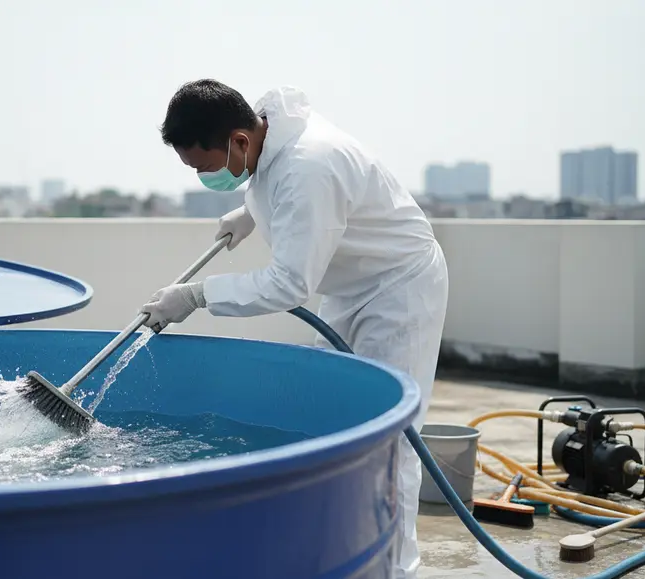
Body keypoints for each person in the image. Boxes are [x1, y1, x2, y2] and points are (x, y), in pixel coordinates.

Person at [141, 79, 449, 579]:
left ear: (239, 141)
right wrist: (251, 211)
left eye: (206, 166)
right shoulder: (266, 128)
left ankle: (394, 567)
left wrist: (196, 296)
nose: (207, 177)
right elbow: (275, 180)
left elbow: (288, 285)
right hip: (351, 283)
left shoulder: (308, 169)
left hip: (399, 286)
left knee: (391, 435)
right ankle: (343, 542)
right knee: (336, 410)